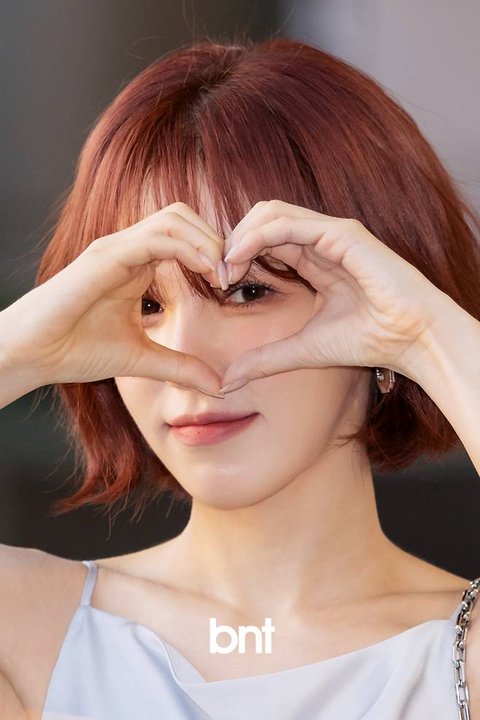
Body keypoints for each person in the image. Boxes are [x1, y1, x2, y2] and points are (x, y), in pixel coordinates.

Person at [1, 35, 480, 720]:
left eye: (248, 291)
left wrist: (424, 334)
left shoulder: (459, 656)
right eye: (145, 304)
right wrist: (21, 346)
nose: (186, 357)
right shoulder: (28, 632)